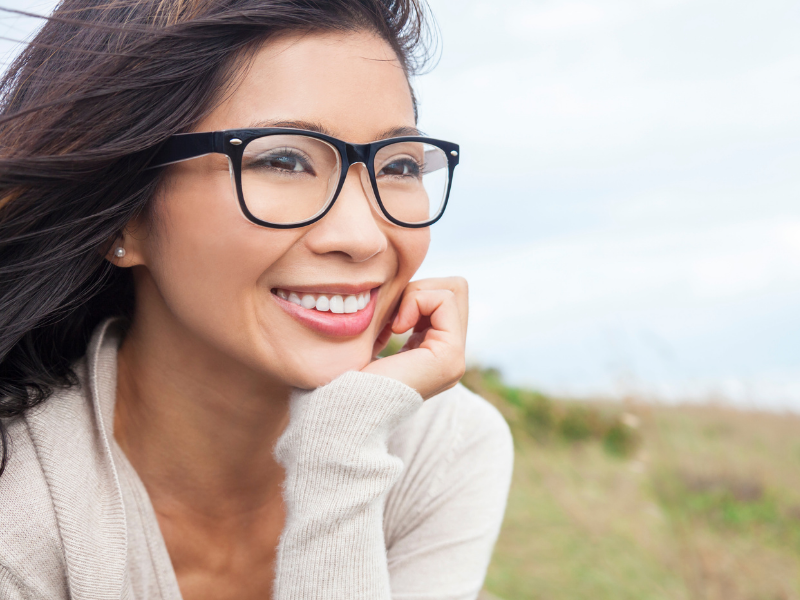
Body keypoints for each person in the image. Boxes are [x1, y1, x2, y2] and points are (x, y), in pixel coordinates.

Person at [0, 1, 513, 598]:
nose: (364, 236)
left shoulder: (441, 446)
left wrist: (342, 446)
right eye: (283, 160)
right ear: (124, 219)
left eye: (398, 165)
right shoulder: (21, 497)